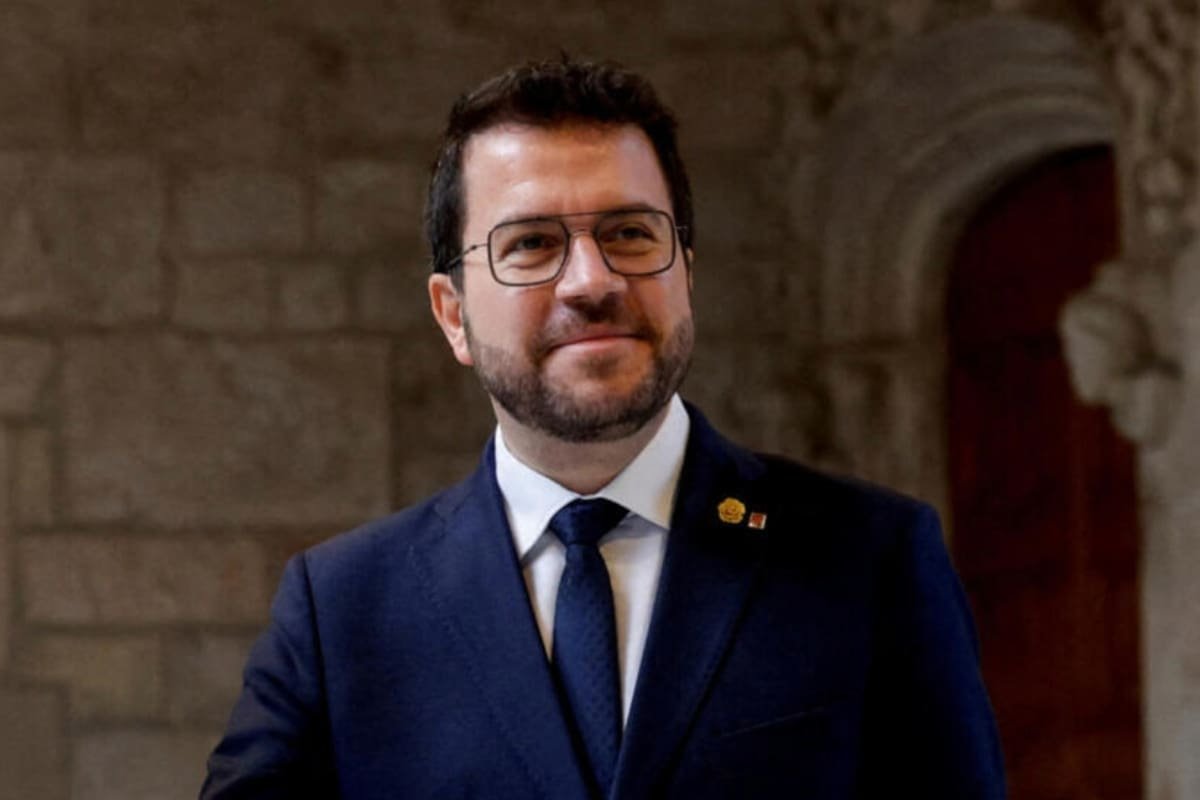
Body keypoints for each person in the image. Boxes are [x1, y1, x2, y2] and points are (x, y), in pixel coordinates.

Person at [202, 58, 1006, 799]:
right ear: (452, 314)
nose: (591, 282)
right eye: (530, 244)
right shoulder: (342, 611)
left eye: (630, 234)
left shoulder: (871, 560)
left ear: (685, 274)